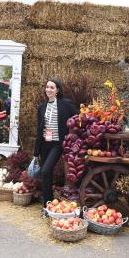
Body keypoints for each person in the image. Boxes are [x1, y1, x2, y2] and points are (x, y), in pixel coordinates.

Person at [33, 77, 77, 208]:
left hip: (58, 144)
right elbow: (39, 129)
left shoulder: (65, 104)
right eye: (47, 87)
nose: (48, 89)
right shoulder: (42, 107)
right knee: (45, 173)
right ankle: (48, 204)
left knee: (46, 170)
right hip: (45, 143)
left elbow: (78, 117)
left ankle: (48, 203)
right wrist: (36, 152)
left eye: (52, 87)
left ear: (57, 90)